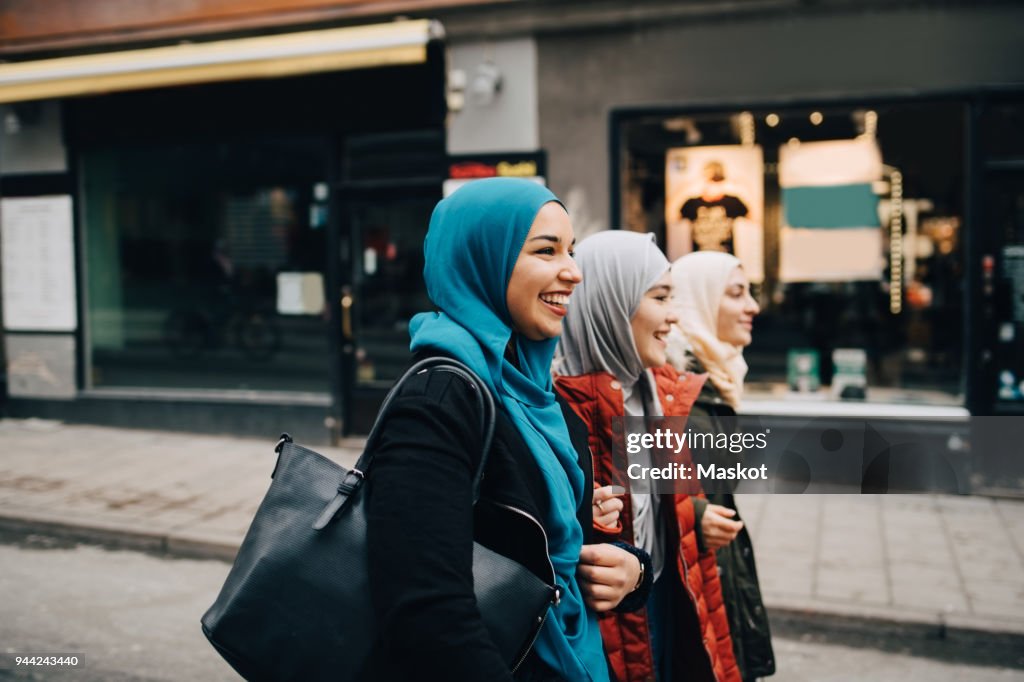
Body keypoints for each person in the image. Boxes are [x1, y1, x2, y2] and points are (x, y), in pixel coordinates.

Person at [364, 178, 651, 682]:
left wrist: (632, 570)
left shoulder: (541, 395)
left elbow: (554, 556)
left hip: (571, 656)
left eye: (571, 250)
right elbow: (427, 614)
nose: (573, 272)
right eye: (546, 251)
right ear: (483, 260)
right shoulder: (439, 402)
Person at [553, 230, 741, 682]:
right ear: (610, 305)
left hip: (668, 598)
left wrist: (691, 514)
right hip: (605, 635)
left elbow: (649, 501)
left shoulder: (659, 393)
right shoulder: (555, 409)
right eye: (659, 297)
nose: (673, 317)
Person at [667, 251, 775, 682]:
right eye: (736, 294)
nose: (752, 306)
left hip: (716, 585)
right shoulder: (678, 397)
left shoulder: (715, 384)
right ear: (698, 301)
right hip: (698, 599)